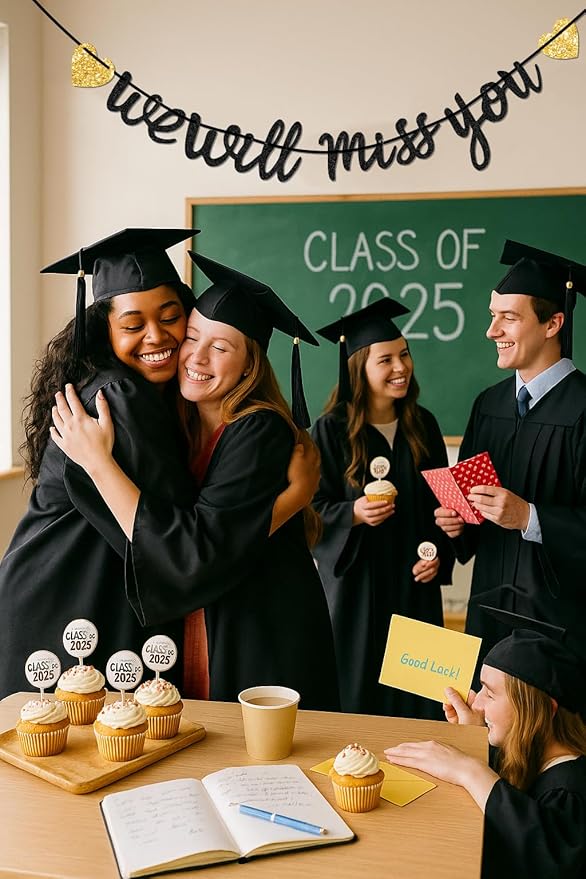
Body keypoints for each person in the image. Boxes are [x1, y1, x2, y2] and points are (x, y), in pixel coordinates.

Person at [0, 230, 317, 700]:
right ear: (103, 329)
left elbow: (189, 537)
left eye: (172, 319)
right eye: (133, 325)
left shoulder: (159, 399)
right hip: (68, 603)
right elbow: (185, 552)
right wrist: (292, 501)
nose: (159, 337)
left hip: (75, 598)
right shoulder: (120, 398)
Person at [434, 241, 586, 667]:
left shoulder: (584, 409)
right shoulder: (489, 405)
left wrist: (529, 518)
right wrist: (458, 521)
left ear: (553, 323)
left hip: (558, 626)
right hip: (489, 617)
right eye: (492, 316)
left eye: (509, 318)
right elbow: (472, 522)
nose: (492, 331)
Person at [310, 298, 454, 718]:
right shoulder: (331, 430)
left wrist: (440, 556)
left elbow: (443, 509)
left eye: (405, 355)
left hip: (415, 592)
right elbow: (310, 511)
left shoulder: (423, 425)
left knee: (422, 709)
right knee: (357, 706)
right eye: (386, 359)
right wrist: (352, 513)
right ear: (359, 368)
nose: (401, 367)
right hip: (357, 594)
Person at [384, 608, 586, 879]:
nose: (476, 703)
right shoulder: (534, 759)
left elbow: (545, 856)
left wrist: (469, 770)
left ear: (541, 711)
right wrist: (473, 737)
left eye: (489, 694)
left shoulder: (573, 793)